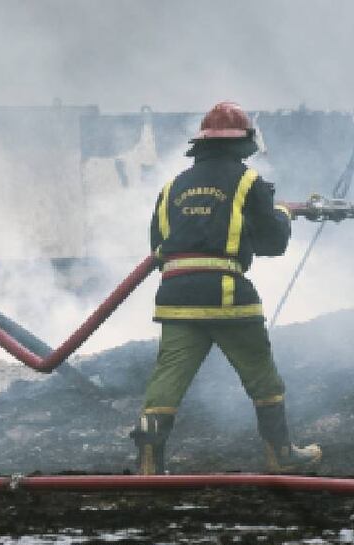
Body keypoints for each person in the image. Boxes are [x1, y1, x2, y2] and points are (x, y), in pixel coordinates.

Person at [131, 101, 322, 475]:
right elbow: (272, 244)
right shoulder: (249, 182)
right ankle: (280, 453)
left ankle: (148, 461)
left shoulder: (172, 187)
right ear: (244, 144)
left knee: (167, 379)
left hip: (175, 297)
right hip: (226, 295)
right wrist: (282, 213)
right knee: (261, 375)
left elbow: (157, 245)